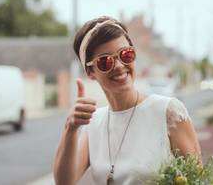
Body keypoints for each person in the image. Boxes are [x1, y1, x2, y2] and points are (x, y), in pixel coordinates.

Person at [53, 16, 202, 185]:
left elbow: (197, 179)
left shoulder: (169, 113)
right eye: (105, 61)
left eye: (126, 54)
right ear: (90, 72)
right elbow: (64, 182)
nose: (118, 65)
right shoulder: (93, 124)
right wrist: (70, 128)